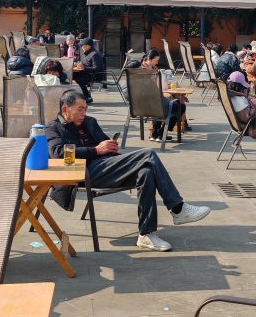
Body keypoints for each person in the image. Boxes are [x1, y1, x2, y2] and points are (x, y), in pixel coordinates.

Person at [46, 90, 210, 251]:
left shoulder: (90, 122)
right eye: (80, 109)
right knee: (148, 154)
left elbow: (104, 144)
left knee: (146, 172)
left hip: (107, 166)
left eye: (85, 109)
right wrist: (96, 150)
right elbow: (58, 154)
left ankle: (146, 234)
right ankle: (178, 208)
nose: (84, 113)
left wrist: (110, 145)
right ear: (65, 109)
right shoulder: (54, 128)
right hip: (85, 172)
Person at [141, 49, 187, 142]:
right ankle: (162, 133)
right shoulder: (147, 71)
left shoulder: (137, 71)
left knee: (163, 104)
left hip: (140, 106)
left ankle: (155, 134)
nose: (157, 63)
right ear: (149, 59)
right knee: (180, 107)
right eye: (156, 61)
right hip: (152, 104)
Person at [72, 37, 105, 104]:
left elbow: (96, 68)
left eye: (83, 46)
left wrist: (84, 68)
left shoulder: (95, 54)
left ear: (88, 46)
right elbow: (86, 63)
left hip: (95, 75)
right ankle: (84, 95)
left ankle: (87, 96)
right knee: (73, 75)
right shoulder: (89, 53)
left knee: (78, 79)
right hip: (88, 73)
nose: (82, 48)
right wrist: (78, 64)